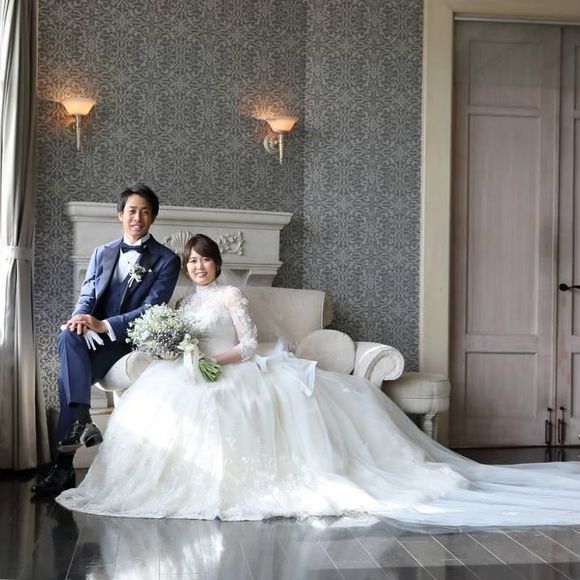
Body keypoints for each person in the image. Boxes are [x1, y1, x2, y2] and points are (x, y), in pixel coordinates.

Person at [57, 234, 580, 527]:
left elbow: (248, 342)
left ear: (217, 263)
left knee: (240, 408)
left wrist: (215, 363)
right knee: (160, 404)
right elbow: (179, 340)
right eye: (191, 262)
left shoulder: (232, 295)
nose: (197, 267)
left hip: (235, 368)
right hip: (194, 370)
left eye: (205, 260)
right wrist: (184, 354)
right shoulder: (185, 302)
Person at [32, 184, 181, 496]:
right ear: (120, 215)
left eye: (145, 212)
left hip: (125, 343)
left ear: (153, 217)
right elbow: (87, 295)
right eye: (132, 211)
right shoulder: (103, 252)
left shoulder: (166, 259)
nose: (137, 217)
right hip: (92, 337)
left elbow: (151, 309)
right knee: (68, 334)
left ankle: (63, 466)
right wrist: (80, 318)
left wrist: (104, 325)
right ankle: (81, 423)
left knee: (67, 377)